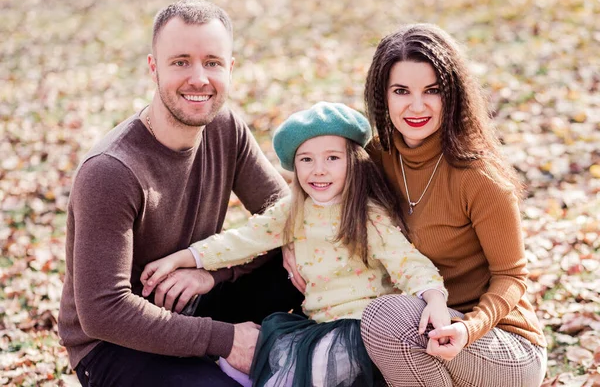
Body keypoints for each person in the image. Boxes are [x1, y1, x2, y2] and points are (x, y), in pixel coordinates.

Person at [57, 0, 303, 387]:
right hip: (116, 345)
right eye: (180, 61)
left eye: (212, 63)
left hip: (195, 303)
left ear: (230, 69)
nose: (199, 78)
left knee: (307, 260)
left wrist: (212, 270)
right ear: (153, 68)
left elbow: (292, 218)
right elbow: (102, 311)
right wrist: (227, 339)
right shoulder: (110, 171)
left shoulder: (226, 129)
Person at [140, 101, 451, 387]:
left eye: (332, 158)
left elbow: (406, 261)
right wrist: (187, 257)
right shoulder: (292, 211)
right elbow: (245, 239)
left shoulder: (366, 215)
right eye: (306, 159)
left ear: (353, 163)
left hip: (362, 331)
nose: (318, 169)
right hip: (317, 326)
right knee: (257, 360)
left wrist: (435, 299)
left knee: (309, 372)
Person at [355, 23, 547, 386]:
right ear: (383, 96)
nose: (416, 106)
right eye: (401, 91)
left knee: (387, 318)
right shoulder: (376, 157)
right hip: (421, 334)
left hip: (498, 345)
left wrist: (468, 329)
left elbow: (512, 276)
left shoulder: (479, 176)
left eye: (432, 90)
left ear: (453, 95)